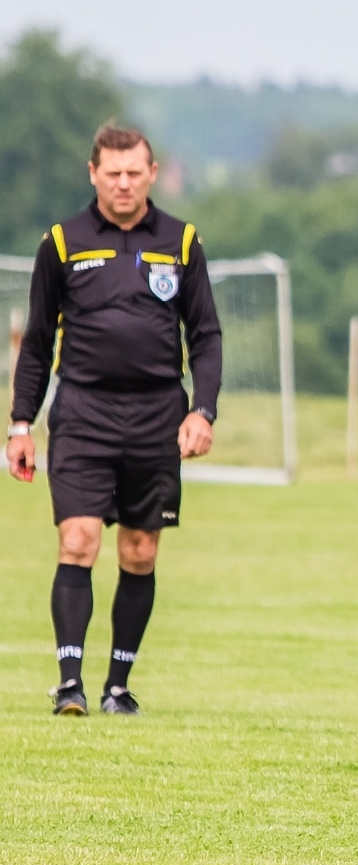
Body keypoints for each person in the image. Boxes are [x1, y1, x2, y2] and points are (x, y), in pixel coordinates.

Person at [5, 123, 221, 717]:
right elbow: (38, 341)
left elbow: (205, 335)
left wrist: (202, 410)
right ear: (93, 173)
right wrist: (21, 423)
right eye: (112, 173)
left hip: (157, 414)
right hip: (82, 411)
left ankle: (117, 687)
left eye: (134, 173)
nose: (123, 184)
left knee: (140, 552)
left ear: (152, 174)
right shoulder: (63, 241)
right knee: (78, 540)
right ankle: (69, 684)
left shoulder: (181, 242)